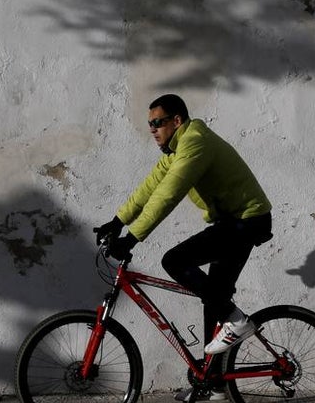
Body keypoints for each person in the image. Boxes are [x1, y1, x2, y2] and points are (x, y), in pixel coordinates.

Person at [94, 94, 273, 367]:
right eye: (150, 124)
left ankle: (237, 321)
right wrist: (117, 222)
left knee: (174, 261)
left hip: (247, 222)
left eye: (158, 122)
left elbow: (168, 195)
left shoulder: (194, 143)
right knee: (214, 297)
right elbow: (150, 187)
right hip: (232, 222)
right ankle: (212, 381)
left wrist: (130, 239)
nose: (152, 129)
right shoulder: (177, 149)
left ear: (176, 121)